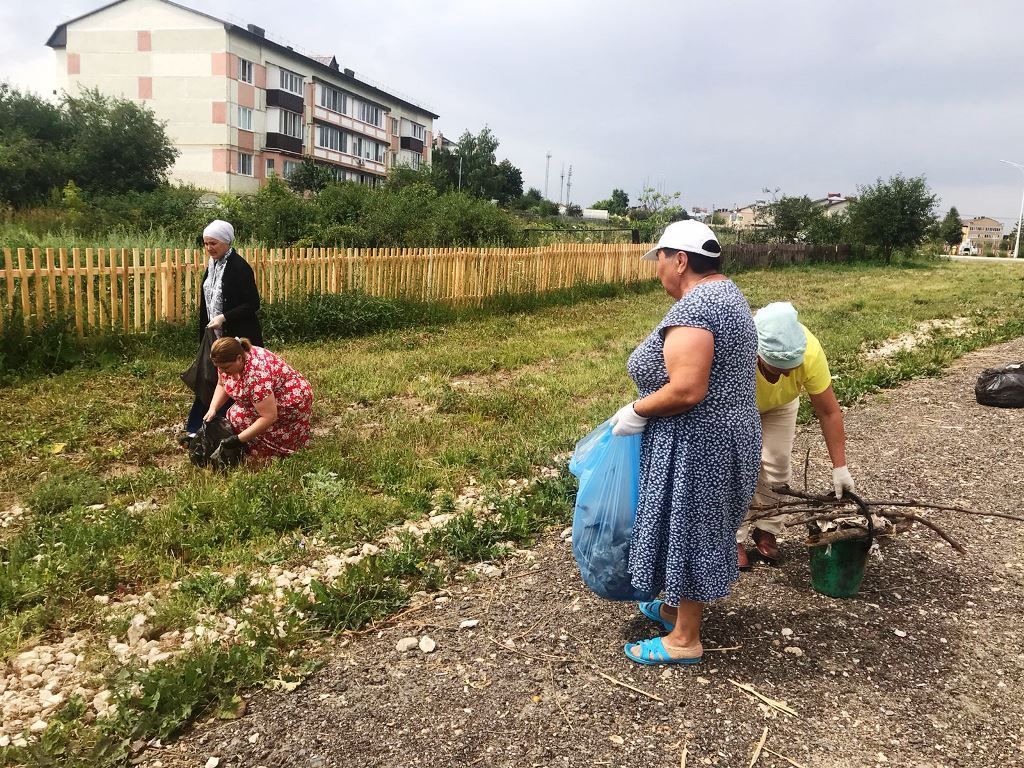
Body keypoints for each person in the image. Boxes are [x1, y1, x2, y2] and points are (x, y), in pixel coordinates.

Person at [610, 220, 761, 666]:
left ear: (679, 260)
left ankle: (683, 640)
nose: (657, 269)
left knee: (694, 529)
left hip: (701, 443)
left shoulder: (698, 308)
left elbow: (687, 390)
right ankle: (676, 609)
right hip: (724, 432)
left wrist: (636, 412)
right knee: (695, 525)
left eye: (659, 258)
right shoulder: (727, 296)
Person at [736, 302, 855, 568]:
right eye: (776, 369)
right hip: (739, 405)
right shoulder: (738, 347)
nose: (784, 375)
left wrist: (840, 467)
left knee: (778, 466)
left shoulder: (810, 352)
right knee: (739, 468)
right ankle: (734, 537)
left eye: (789, 369)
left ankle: (767, 527)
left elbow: (828, 412)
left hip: (781, 405)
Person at [182, 219, 263, 438]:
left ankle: (236, 426)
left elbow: (253, 304)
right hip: (215, 335)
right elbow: (206, 304)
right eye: (206, 243)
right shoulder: (212, 267)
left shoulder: (238, 267)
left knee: (236, 379)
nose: (209, 248)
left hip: (238, 335)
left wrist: (224, 317)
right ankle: (200, 426)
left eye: (213, 243)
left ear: (226, 242)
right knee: (211, 378)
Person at [206, 337, 313, 460]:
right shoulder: (229, 359)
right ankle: (251, 445)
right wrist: (213, 408)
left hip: (292, 400)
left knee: (238, 418)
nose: (221, 371)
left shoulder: (256, 377)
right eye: (218, 367)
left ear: (239, 359)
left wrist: (238, 439)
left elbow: (269, 417)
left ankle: (272, 451)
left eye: (225, 368)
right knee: (235, 415)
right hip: (270, 395)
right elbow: (222, 383)